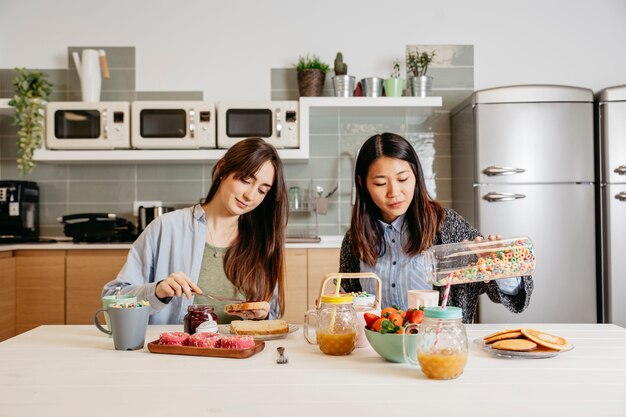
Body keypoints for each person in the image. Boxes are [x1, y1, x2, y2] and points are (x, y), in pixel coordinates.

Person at [339, 133, 533, 323]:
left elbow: (502, 293)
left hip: (438, 348)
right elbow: (348, 298)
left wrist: (498, 267)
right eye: (380, 183)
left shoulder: (446, 224)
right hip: (377, 348)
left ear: (415, 175)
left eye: (403, 179)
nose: (394, 192)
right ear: (362, 184)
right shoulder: (355, 238)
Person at [103, 137, 288, 324]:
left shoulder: (262, 242)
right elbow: (113, 297)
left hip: (240, 352)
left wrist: (263, 315)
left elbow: (273, 316)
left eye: (262, 191)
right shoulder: (166, 228)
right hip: (175, 352)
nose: (250, 196)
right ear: (222, 169)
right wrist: (157, 291)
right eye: (245, 180)